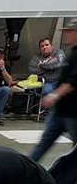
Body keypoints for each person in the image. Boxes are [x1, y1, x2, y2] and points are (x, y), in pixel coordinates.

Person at [30, 20, 77, 164]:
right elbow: (33, 68)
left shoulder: (68, 54)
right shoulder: (72, 52)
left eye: (69, 32)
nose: (66, 35)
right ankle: (27, 169)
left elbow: (73, 81)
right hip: (60, 111)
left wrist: (54, 95)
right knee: (43, 144)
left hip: (73, 112)